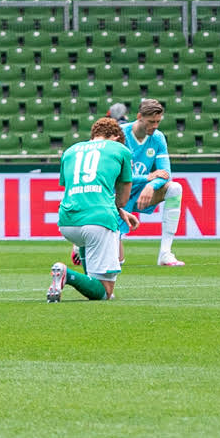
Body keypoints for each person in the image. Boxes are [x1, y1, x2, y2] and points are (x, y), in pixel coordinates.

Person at [47, 115, 135, 302]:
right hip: (98, 221)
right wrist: (118, 208)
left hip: (67, 222)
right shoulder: (120, 149)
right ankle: (66, 274)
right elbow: (123, 197)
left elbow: (72, 187)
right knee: (105, 292)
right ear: (116, 137)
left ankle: (82, 265)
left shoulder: (71, 151)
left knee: (91, 262)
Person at [126, 98, 183, 269]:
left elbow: (166, 174)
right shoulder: (120, 135)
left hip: (142, 193)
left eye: (158, 121)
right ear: (139, 117)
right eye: (151, 122)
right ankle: (82, 244)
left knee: (175, 188)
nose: (155, 125)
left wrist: (151, 186)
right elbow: (115, 177)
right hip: (117, 195)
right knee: (115, 259)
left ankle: (165, 253)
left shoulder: (158, 138)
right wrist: (146, 179)